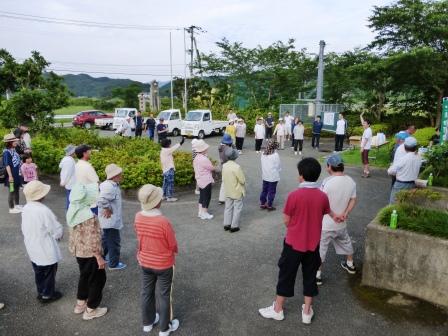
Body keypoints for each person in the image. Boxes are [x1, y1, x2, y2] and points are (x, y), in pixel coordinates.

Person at [259, 157, 342, 325]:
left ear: (301, 176)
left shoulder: (294, 195)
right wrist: (336, 216)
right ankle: (306, 312)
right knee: (310, 276)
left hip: (293, 243)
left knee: (286, 274)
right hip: (313, 245)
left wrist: (295, 227)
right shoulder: (322, 196)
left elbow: (286, 220)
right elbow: (328, 211)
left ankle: (278, 309)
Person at [135, 184, 180, 335]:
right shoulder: (163, 221)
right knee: (164, 295)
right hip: (163, 264)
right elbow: (172, 244)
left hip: (145, 261)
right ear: (158, 202)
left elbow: (140, 237)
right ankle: (164, 328)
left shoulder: (138, 216)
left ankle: (147, 323)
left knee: (146, 292)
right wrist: (175, 251)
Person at [67, 181, 107, 320]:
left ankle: (80, 304)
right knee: (97, 279)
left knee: (84, 275)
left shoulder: (73, 211)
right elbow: (93, 238)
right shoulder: (89, 216)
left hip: (79, 252)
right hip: (91, 253)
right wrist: (99, 256)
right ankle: (91, 310)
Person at [317, 154, 357, 286]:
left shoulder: (327, 182)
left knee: (321, 249)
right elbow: (353, 199)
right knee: (346, 241)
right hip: (341, 223)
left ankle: (317, 274)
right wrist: (345, 214)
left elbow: (321, 202)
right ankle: (350, 264)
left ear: (329, 167)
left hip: (326, 224)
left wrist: (334, 215)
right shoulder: (351, 181)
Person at [21, 180, 63, 303]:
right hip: (45, 246)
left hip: (32, 244)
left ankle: (41, 291)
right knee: (49, 272)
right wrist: (58, 234)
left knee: (38, 271)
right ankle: (48, 294)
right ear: (41, 195)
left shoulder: (26, 208)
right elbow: (55, 228)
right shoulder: (44, 210)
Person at [97, 164, 126, 271]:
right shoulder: (110, 187)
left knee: (106, 239)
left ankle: (103, 256)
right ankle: (113, 264)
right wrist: (108, 208)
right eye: (120, 174)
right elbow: (101, 200)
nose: (121, 175)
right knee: (114, 242)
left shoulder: (109, 184)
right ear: (115, 175)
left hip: (107, 221)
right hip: (110, 220)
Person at [388, 137, 422, 204]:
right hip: (412, 184)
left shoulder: (404, 159)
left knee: (393, 205)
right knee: (406, 204)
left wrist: (391, 167)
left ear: (405, 147)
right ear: (415, 147)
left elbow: (390, 171)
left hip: (400, 185)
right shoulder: (419, 157)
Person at [222, 147, 245, 233]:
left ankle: (226, 224)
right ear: (235, 157)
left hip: (228, 189)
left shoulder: (224, 165)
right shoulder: (237, 167)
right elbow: (242, 180)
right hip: (236, 190)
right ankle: (234, 226)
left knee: (228, 207)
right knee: (237, 208)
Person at [193, 140, 215, 220]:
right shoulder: (204, 159)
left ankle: (200, 212)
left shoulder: (196, 157)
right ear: (203, 149)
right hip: (206, 180)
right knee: (207, 197)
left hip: (199, 179)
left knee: (202, 196)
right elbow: (212, 168)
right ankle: (204, 213)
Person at [75, 144, 99, 215]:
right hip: (91, 202)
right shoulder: (87, 167)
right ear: (84, 153)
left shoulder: (76, 165)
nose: (90, 153)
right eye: (89, 151)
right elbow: (97, 182)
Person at [160, 137, 185, 202]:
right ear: (167, 145)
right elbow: (174, 148)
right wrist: (181, 142)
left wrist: (163, 171)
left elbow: (162, 162)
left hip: (165, 170)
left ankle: (163, 196)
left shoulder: (162, 150)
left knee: (165, 184)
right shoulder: (167, 150)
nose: (170, 145)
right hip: (169, 170)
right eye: (169, 144)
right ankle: (169, 197)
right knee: (170, 184)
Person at [3, 133, 22, 214]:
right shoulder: (6, 152)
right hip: (11, 175)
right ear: (10, 142)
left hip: (17, 174)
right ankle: (11, 208)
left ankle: (17, 205)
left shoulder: (13, 150)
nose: (16, 142)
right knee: (12, 191)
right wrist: (10, 176)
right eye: (14, 141)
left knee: (17, 189)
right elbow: (7, 165)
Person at [260, 140, 281, 211]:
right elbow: (278, 165)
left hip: (265, 175)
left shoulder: (263, 153)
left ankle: (263, 203)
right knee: (271, 191)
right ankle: (269, 205)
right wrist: (279, 170)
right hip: (273, 176)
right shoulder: (275, 155)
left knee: (264, 190)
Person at [59, 144, 77, 210]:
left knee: (70, 201)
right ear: (72, 152)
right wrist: (63, 182)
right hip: (71, 184)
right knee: (71, 202)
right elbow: (66, 173)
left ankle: (70, 215)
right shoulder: (69, 161)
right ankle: (70, 216)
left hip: (70, 184)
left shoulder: (67, 159)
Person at [218, 134, 234, 205]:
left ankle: (221, 198)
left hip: (222, 166)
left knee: (224, 182)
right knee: (230, 182)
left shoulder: (220, 147)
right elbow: (233, 156)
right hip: (228, 166)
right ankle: (229, 197)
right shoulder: (227, 149)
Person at [359, 113, 372, 178]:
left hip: (366, 148)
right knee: (364, 160)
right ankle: (365, 171)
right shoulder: (366, 129)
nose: (363, 124)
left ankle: (367, 172)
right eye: (364, 123)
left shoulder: (368, 130)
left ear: (368, 124)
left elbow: (366, 140)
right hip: (364, 147)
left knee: (365, 160)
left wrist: (362, 147)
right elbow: (362, 122)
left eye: (365, 123)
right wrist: (361, 116)